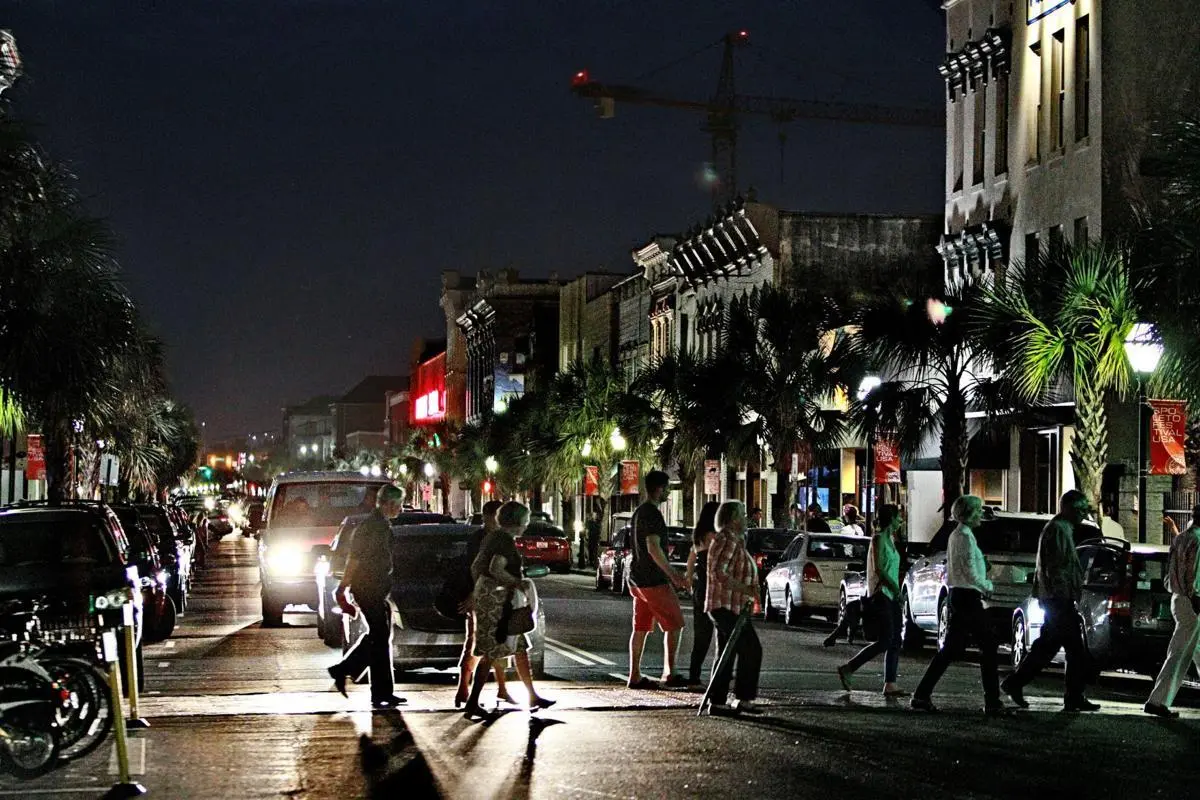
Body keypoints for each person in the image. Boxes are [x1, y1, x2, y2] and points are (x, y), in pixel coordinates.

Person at [1000, 489, 1098, 712]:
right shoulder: (1059, 530)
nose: (1083, 514)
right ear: (1068, 508)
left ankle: (1016, 683)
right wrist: (1066, 595)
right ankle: (1073, 696)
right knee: (1073, 648)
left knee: (1048, 647)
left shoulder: (1060, 529)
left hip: (1055, 598)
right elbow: (1056, 568)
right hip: (1058, 599)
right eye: (1080, 509)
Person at [910, 494, 1004, 715]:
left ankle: (922, 694)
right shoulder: (964, 537)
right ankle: (992, 701)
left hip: (961, 596)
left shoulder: (959, 535)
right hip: (967, 596)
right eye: (978, 510)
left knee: (952, 649)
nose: (981, 514)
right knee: (988, 646)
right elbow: (969, 570)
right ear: (969, 513)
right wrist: (987, 585)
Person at [463, 501, 554, 719]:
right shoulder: (504, 541)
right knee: (492, 650)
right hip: (498, 601)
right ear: (517, 522)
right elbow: (496, 568)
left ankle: (531, 695)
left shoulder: (493, 538)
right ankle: (473, 702)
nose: (526, 525)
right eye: (525, 521)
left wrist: (479, 588)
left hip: (492, 597)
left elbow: (477, 567)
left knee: (520, 646)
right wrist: (516, 583)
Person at [328, 484, 407, 709]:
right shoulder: (372, 527)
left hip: (375, 588)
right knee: (379, 637)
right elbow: (355, 558)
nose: (400, 509)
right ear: (389, 504)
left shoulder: (379, 525)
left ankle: (380, 691)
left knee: (379, 638)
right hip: (368, 588)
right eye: (399, 504)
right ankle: (350, 673)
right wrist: (343, 587)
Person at [626, 470, 690, 689]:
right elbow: (653, 547)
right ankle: (670, 673)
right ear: (659, 488)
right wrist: (673, 574)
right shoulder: (652, 514)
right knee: (675, 624)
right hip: (654, 579)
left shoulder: (638, 513)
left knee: (641, 627)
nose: (669, 493)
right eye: (667, 489)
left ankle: (634, 675)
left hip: (637, 579)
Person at [837, 505, 906, 696]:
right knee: (886, 640)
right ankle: (849, 668)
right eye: (898, 517)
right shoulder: (878, 539)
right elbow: (879, 570)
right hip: (882, 594)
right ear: (890, 519)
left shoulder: (891, 539)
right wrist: (895, 589)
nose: (901, 520)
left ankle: (890, 682)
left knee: (895, 640)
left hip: (892, 595)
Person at [704, 500, 763, 715]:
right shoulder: (727, 539)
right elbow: (720, 572)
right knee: (751, 648)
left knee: (726, 654)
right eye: (743, 514)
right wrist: (747, 589)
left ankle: (719, 701)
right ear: (733, 518)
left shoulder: (734, 540)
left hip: (732, 606)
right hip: (725, 605)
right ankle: (742, 697)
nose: (746, 519)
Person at [454, 500, 514, 708]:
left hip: (496, 598)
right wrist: (473, 595)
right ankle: (464, 688)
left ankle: (502, 689)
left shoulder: (496, 538)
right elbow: (476, 569)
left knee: (496, 644)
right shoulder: (480, 540)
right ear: (489, 517)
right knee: (475, 643)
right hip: (482, 598)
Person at [1145, 505, 1200, 718]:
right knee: (1179, 654)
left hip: (1178, 598)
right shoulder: (1197, 540)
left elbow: (1175, 568)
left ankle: (1158, 700)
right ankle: (1157, 701)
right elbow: (1192, 572)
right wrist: (1195, 596)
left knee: (1193, 650)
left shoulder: (1181, 539)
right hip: (1191, 601)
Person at [685, 501, 720, 689]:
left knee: (701, 636)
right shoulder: (714, 537)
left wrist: (689, 581)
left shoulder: (698, 537)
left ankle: (694, 675)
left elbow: (691, 561)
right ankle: (719, 675)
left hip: (700, 588)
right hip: (712, 588)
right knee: (722, 633)